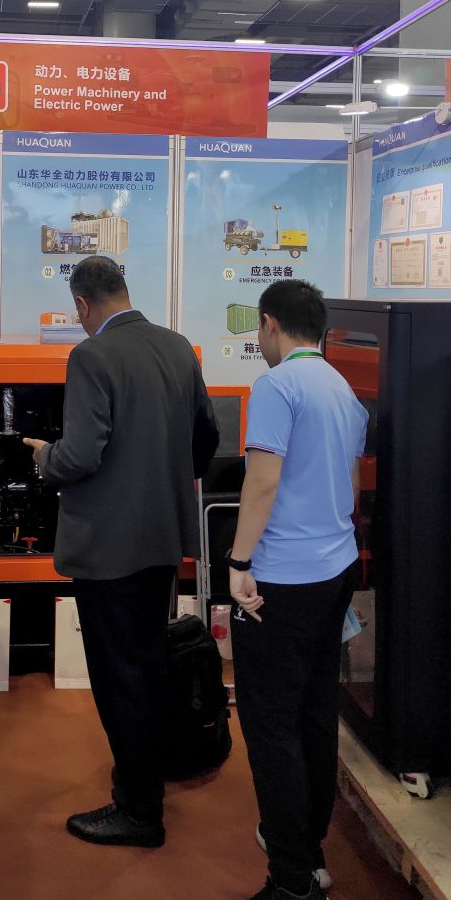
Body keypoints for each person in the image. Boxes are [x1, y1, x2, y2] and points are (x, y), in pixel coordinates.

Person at [24, 255, 219, 848]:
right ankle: (146, 779)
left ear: (83, 304)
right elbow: (206, 437)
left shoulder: (92, 355)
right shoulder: (178, 347)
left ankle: (138, 810)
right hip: (163, 538)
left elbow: (81, 454)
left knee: (121, 679)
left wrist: (44, 458)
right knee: (147, 665)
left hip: (108, 548)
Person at [228, 280, 368, 900]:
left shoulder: (277, 386)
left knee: (270, 724)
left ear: (269, 323)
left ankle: (291, 878)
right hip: (335, 568)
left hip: (280, 579)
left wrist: (238, 560)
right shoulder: (342, 388)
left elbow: (262, 482)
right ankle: (307, 846)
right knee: (314, 710)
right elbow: (351, 486)